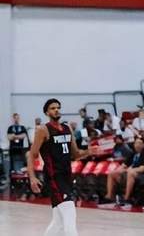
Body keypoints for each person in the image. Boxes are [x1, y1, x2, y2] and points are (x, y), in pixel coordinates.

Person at [27, 99, 96, 236]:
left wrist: (89, 151)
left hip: (67, 176)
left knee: (58, 222)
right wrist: (32, 178)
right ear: (47, 112)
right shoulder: (43, 130)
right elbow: (31, 155)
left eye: (58, 107)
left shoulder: (67, 128)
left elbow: (76, 154)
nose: (56, 110)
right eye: (52, 108)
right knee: (70, 214)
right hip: (54, 177)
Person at [103, 137, 144, 209]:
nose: (138, 145)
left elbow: (142, 169)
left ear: (143, 145)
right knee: (112, 173)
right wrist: (118, 171)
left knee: (131, 173)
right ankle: (109, 196)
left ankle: (126, 198)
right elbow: (124, 165)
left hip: (143, 176)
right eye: (136, 143)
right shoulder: (132, 153)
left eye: (140, 143)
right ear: (134, 144)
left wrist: (130, 170)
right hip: (129, 173)